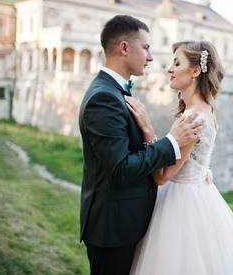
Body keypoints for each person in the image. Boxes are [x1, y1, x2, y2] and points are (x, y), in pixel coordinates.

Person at [125, 40, 233, 274]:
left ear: (195, 71)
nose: (169, 69)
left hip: (180, 204)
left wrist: (147, 130)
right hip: (199, 194)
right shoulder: (206, 110)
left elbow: (163, 176)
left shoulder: (193, 118)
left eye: (176, 63)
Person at [78, 15, 206, 275]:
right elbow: (120, 169)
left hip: (125, 224)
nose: (150, 57)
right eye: (146, 48)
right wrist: (172, 141)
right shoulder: (104, 97)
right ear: (124, 48)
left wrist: (148, 130)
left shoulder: (115, 91)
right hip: (112, 229)